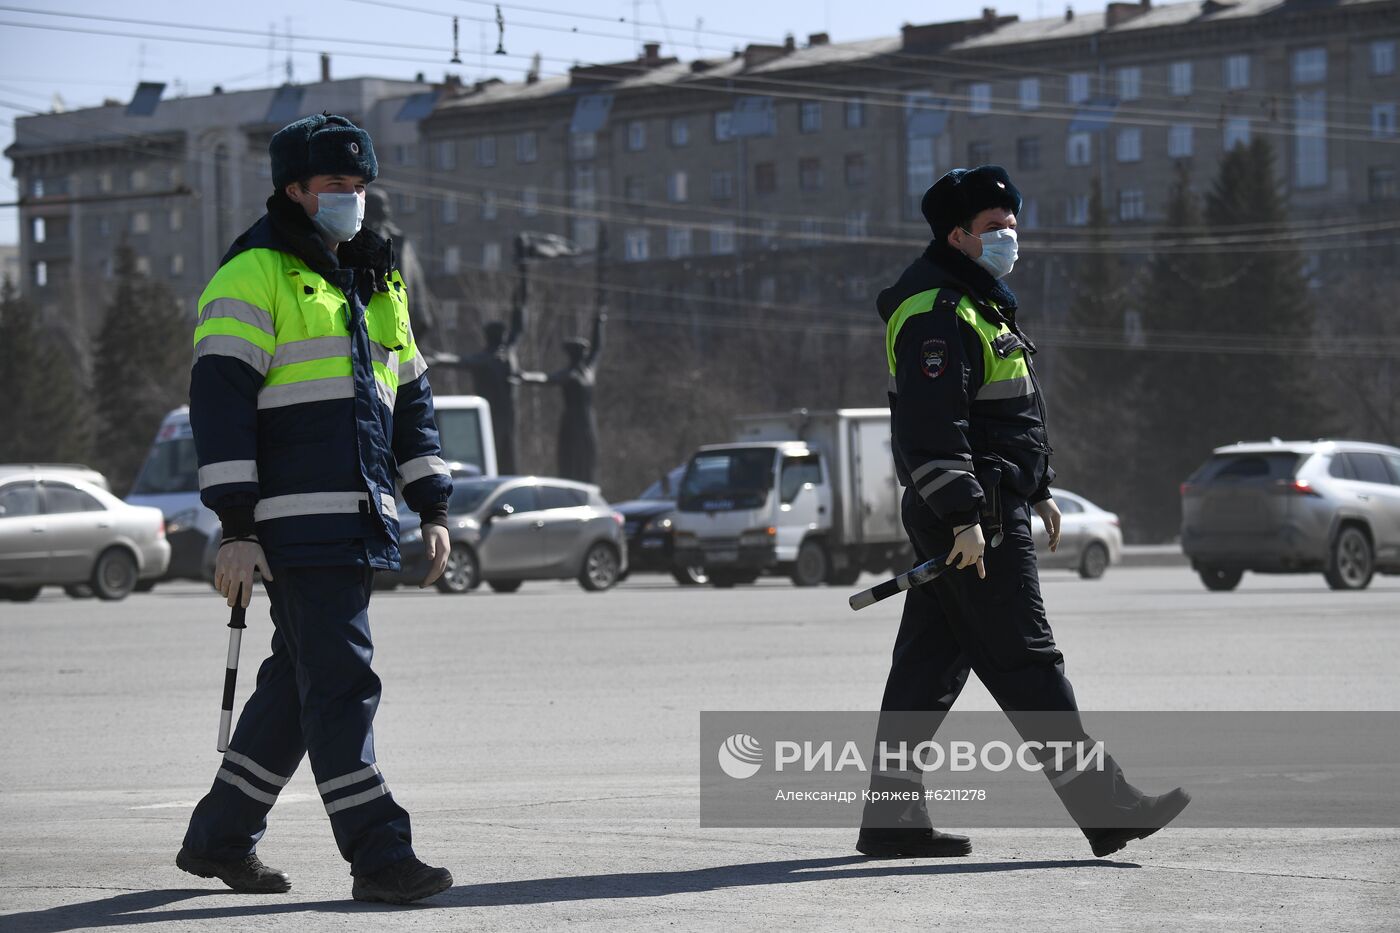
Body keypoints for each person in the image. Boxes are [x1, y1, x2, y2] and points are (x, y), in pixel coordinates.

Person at [858, 165, 1189, 860]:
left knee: (928, 665)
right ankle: (1106, 805)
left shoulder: (979, 304)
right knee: (1029, 660)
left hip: (992, 506)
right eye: (992, 227)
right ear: (956, 235)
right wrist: (963, 515)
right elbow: (932, 426)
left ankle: (889, 818)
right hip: (975, 520)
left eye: (1011, 223)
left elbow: (1005, 417)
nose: (1008, 234)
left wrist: (1041, 487)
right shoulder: (935, 312)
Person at [178, 113, 455, 905]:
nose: (352, 199)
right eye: (336, 185)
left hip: (358, 519)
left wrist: (432, 503)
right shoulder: (251, 274)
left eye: (361, 185)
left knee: (299, 689)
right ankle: (380, 855)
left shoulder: (376, 280)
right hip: (294, 528)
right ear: (294, 190)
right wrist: (235, 529)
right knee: (342, 686)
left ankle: (218, 838)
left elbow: (411, 402)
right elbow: (220, 409)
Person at [521, 311, 606, 482]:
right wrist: (523, 376)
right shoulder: (569, 374)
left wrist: (599, 322)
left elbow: (598, 348)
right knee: (572, 458)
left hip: (588, 420)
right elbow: (546, 379)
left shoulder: (589, 370)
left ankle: (588, 483)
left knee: (589, 457)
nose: (584, 354)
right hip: (572, 421)